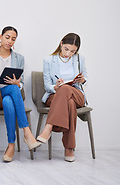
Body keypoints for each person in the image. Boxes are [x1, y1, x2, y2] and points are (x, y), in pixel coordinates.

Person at [0, 26, 41, 162]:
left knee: (9, 99)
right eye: (7, 37)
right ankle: (27, 132)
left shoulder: (19, 58)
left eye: (13, 39)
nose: (10, 41)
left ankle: (11, 145)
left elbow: (21, 83)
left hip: (9, 97)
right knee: (12, 89)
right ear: (0, 37)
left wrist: (18, 83)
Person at [37, 33, 87, 162]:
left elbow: (85, 76)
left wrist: (82, 79)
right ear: (61, 43)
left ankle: (48, 127)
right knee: (68, 102)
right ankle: (69, 148)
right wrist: (56, 87)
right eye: (66, 49)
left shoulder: (79, 58)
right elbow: (47, 85)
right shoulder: (48, 60)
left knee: (67, 91)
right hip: (55, 95)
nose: (68, 53)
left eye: (72, 51)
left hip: (76, 94)